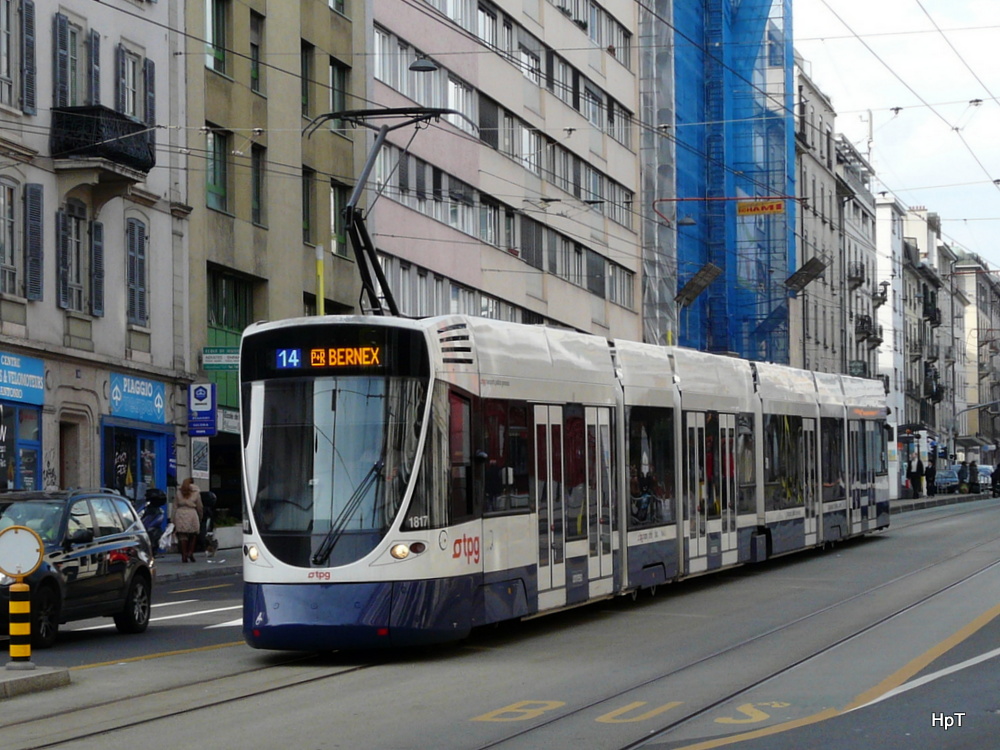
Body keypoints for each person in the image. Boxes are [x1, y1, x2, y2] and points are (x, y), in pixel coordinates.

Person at [173, 477, 204, 563]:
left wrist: (173, 519)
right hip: (192, 513)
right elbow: (199, 506)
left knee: (182, 535)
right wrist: (200, 516)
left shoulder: (179, 492)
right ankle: (190, 552)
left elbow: (175, 506)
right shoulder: (196, 492)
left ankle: (184, 555)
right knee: (194, 534)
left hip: (180, 513)